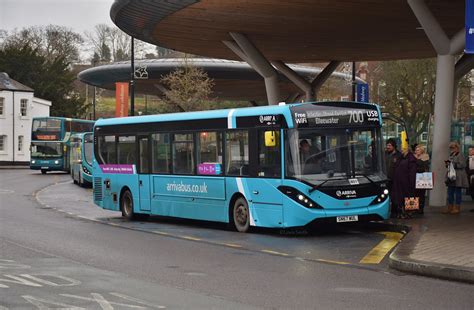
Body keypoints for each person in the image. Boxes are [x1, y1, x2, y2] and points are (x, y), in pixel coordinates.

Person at [443, 141, 469, 214]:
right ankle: (450, 207)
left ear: (457, 148)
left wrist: (452, 164)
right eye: (451, 148)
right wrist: (447, 164)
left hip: (458, 176)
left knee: (458, 192)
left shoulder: (460, 155)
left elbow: (463, 165)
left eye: (453, 147)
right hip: (451, 175)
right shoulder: (451, 154)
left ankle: (457, 208)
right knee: (450, 192)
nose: (452, 149)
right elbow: (450, 164)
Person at [391, 145, 417, 218]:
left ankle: (409, 213)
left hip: (407, 182)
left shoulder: (411, 159)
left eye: (403, 149)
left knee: (409, 196)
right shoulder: (402, 158)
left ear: (407, 150)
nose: (401, 150)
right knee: (400, 198)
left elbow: (412, 172)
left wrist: (412, 182)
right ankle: (402, 213)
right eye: (401, 149)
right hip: (400, 182)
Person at [385, 138, 402, 216]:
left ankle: (394, 212)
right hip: (385, 179)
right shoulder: (384, 154)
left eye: (389, 145)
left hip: (395, 180)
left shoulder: (399, 155)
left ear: (394, 146)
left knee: (394, 196)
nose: (388, 147)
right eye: (387, 145)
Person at [414, 144, 430, 214]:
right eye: (416, 150)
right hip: (413, 177)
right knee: (414, 194)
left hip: (422, 178)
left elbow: (424, 167)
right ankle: (414, 208)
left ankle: (420, 209)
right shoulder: (413, 157)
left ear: (421, 150)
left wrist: (417, 160)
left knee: (421, 194)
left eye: (418, 150)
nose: (416, 151)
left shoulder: (425, 157)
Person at [467, 147, 474, 213]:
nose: (469, 151)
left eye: (471, 150)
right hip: (470, 177)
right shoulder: (468, 158)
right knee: (472, 192)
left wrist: (470, 172)